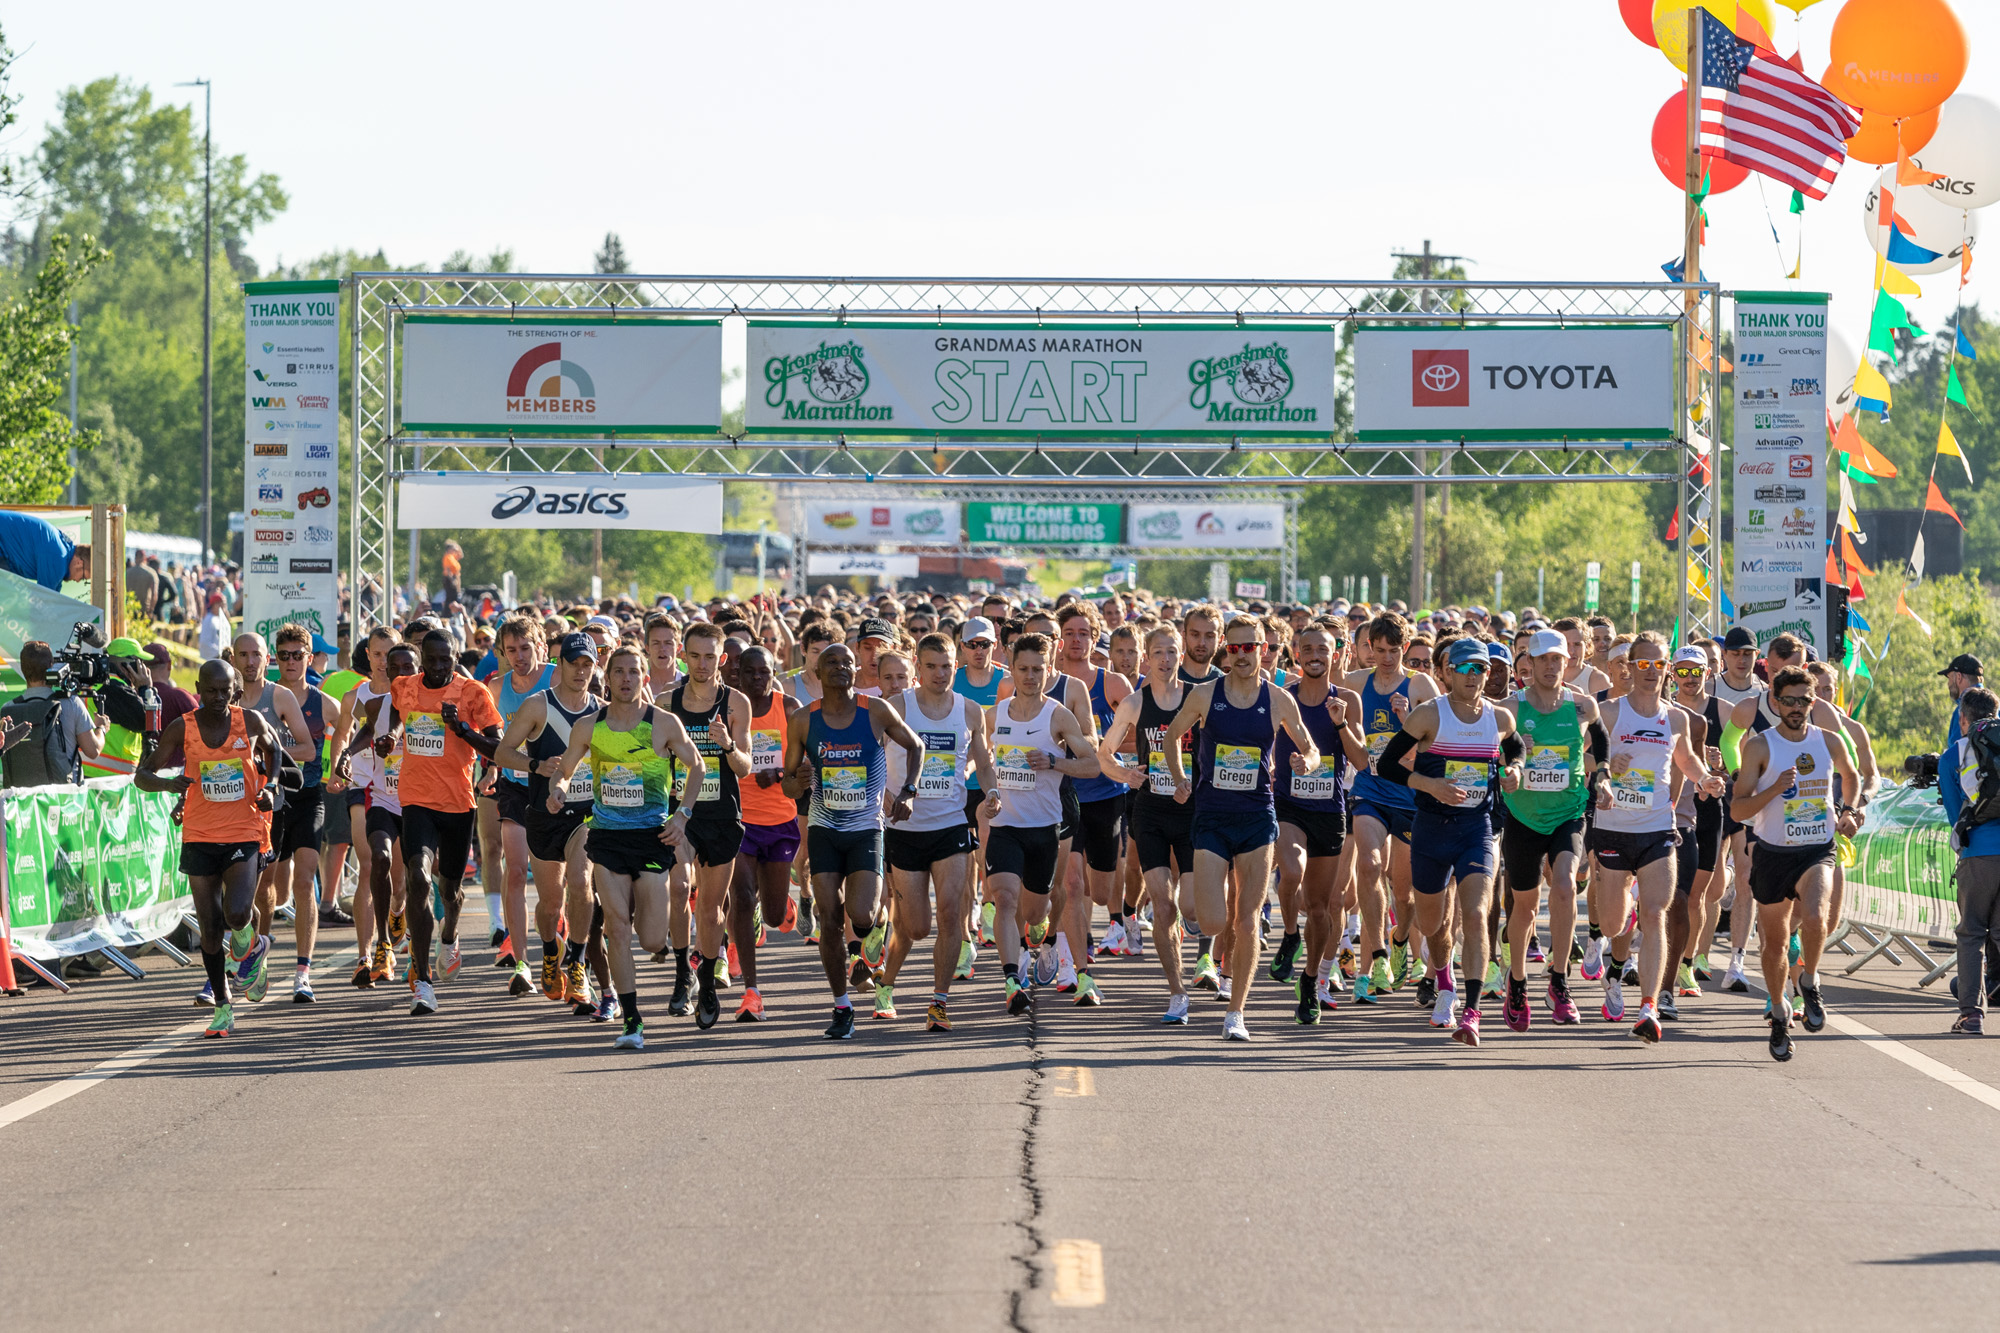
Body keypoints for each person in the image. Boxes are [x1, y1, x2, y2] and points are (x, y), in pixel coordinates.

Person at [1163, 615, 1322, 1041]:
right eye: (1234, 649)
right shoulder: (1204, 694)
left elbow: (1312, 750)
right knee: (1214, 921)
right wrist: (1180, 777)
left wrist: (1305, 763)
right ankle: (1208, 934)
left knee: (1248, 921)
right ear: (1226, 652)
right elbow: (1171, 737)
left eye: (1250, 647)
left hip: (1257, 817)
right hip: (1212, 816)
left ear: (1263, 649)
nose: (1242, 655)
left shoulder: (1277, 700)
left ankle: (1236, 1013)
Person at [545, 645, 702, 1050]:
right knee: (616, 926)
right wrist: (558, 791)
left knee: (651, 940)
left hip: (652, 836)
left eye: (634, 672)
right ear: (608, 677)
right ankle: (632, 1022)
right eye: (619, 672)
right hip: (607, 837)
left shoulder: (663, 724)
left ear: (644, 678)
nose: (627, 679)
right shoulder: (588, 726)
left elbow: (697, 765)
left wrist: (682, 814)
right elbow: (563, 771)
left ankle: (678, 956)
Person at [342, 630, 504, 1016]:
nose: (438, 668)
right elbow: (397, 721)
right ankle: (423, 979)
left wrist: (462, 730)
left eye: (445, 661)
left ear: (453, 659)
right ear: (422, 659)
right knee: (417, 877)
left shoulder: (473, 693)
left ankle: (449, 934)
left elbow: (499, 746)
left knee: (449, 889)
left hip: (458, 804)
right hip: (415, 800)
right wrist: (388, 740)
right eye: (431, 661)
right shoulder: (404, 687)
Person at [1373, 637, 1520, 1046]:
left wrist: (1516, 772)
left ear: (1487, 675)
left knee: (1474, 914)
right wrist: (1429, 784)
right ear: (1447, 672)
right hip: (1432, 828)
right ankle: (1443, 980)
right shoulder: (1427, 716)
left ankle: (1471, 1012)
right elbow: (1386, 764)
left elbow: (1518, 751)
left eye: (1480, 669)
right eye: (1464, 668)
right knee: (1433, 923)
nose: (1473, 676)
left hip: (1477, 829)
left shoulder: (1500, 718)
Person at [782, 642, 922, 1039]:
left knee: (860, 914)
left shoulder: (874, 710)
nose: (841, 668)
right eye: (832, 663)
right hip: (825, 830)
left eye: (847, 662)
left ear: (856, 670)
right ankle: (842, 1006)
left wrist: (909, 791)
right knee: (829, 917)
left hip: (865, 829)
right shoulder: (802, 720)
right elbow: (788, 786)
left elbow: (916, 745)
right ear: (818, 672)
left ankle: (872, 929)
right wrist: (799, 781)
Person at [136, 659, 283, 1037]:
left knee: (236, 914)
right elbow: (143, 775)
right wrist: (171, 786)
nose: (218, 698)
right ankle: (222, 1005)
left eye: (225, 690)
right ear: (199, 689)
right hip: (199, 834)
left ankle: (254, 941)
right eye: (210, 690)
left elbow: (274, 750)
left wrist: (270, 785)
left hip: (243, 830)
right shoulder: (182, 727)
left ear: (235, 689)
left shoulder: (248, 721)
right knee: (211, 931)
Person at [1731, 664, 1862, 1062]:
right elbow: (1738, 810)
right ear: (1774, 700)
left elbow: (1851, 777)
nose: (1796, 707)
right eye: (1787, 700)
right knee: (1774, 944)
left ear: (1813, 701)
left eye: (1804, 700)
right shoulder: (1759, 746)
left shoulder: (1828, 740)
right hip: (1772, 853)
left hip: (1816, 848)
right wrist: (1774, 788)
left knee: (1819, 916)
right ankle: (1777, 1009)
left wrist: (1849, 810)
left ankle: (1809, 978)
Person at [878, 632, 999, 1030]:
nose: (940, 674)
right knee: (914, 926)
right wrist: (882, 797)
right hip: (905, 828)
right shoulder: (896, 707)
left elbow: (982, 762)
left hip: (951, 825)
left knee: (951, 915)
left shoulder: (968, 711)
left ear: (956, 665)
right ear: (917, 665)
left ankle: (939, 1002)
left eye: (947, 666)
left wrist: (993, 791)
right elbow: (870, 756)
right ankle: (887, 982)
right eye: (931, 666)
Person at [981, 633, 1097, 1018]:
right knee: (1004, 897)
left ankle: (1039, 930)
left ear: (1050, 670)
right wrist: (988, 791)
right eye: (1023, 669)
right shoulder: (995, 715)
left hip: (1045, 827)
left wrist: (1055, 762)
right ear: (1010, 669)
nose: (1030, 676)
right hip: (1006, 825)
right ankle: (1012, 981)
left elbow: (1093, 763)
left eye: (1037, 669)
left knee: (1033, 912)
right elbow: (977, 760)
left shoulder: (1058, 715)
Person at [493, 633, 605, 1014]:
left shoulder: (602, 711)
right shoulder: (537, 705)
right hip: (544, 814)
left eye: (588, 664)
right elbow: (502, 751)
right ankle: (549, 949)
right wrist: (534, 765)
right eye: (574, 663)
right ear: (561, 663)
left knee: (580, 882)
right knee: (550, 901)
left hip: (586, 814)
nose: (581, 671)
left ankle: (575, 961)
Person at [1098, 625, 1197, 1022]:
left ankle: (1198, 931)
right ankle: (1177, 992)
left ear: (1181, 655)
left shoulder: (1198, 698)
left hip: (1192, 811)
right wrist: (1126, 776)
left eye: (1172, 652)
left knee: (1191, 907)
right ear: (1147, 658)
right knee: (1163, 904)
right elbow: (1105, 753)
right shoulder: (1135, 704)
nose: (1165, 659)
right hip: (1151, 812)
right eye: (1158, 652)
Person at [1273, 621, 1368, 1025]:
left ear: (1335, 655)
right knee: (1290, 871)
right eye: (1307, 649)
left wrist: (1340, 723)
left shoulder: (1347, 699)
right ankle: (1289, 934)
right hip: (1287, 803)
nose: (1314, 656)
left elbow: (1362, 761)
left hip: (1329, 810)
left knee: (1320, 907)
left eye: (1322, 650)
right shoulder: (1281, 698)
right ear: (1296, 654)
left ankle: (1311, 980)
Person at [1345, 613, 1441, 1000]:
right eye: (1378, 650)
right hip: (1370, 790)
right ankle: (1381, 954)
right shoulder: (1354, 683)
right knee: (1368, 865)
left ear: (1404, 648)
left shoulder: (1420, 684)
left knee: (1405, 894)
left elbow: (1439, 742)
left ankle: (1400, 939)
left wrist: (1408, 721)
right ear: (1369, 647)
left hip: (1410, 797)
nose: (1386, 659)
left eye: (1393, 651)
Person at [668, 622, 753, 1029]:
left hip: (722, 815)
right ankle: (683, 969)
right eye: (694, 655)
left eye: (709, 656)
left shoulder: (735, 704)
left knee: (710, 907)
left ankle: (706, 980)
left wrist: (728, 745)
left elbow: (746, 766)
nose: (702, 664)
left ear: (722, 659)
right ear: (684, 656)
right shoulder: (667, 702)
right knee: (682, 885)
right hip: (682, 814)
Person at [729, 644, 803, 1021]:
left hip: (780, 821)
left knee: (772, 917)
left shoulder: (787, 709)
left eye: (765, 672)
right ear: (738, 675)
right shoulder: (729, 711)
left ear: (774, 673)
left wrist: (777, 775)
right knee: (742, 897)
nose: (758, 679)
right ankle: (751, 992)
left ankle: (783, 905)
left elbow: (806, 765)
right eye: (751, 673)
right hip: (739, 820)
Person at [267, 623, 337, 1001]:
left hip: (310, 795)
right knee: (274, 892)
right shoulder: (267, 698)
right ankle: (258, 951)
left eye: (298, 656)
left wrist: (340, 763)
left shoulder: (322, 701)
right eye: (284, 656)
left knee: (306, 877)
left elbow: (348, 725)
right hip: (274, 800)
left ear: (309, 659)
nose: (291, 662)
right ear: (275, 659)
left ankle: (302, 972)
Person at [485, 617, 555, 990]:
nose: (519, 657)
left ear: (540, 646)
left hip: (553, 787)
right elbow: (494, 740)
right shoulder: (497, 687)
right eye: (511, 650)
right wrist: (490, 771)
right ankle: (521, 963)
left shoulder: (557, 678)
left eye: (525, 648)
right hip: (515, 785)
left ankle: (555, 946)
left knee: (550, 883)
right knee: (515, 869)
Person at [1945, 686, 2000, 1035]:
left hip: (1978, 852)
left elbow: (1954, 813)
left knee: (1971, 933)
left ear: (1963, 718)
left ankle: (1971, 1015)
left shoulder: (1956, 754)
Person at [0, 510, 87, 590]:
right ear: (79, 563)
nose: (78, 581)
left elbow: (52, 598)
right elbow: (43, 601)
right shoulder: (58, 559)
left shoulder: (62, 551)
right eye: (83, 577)